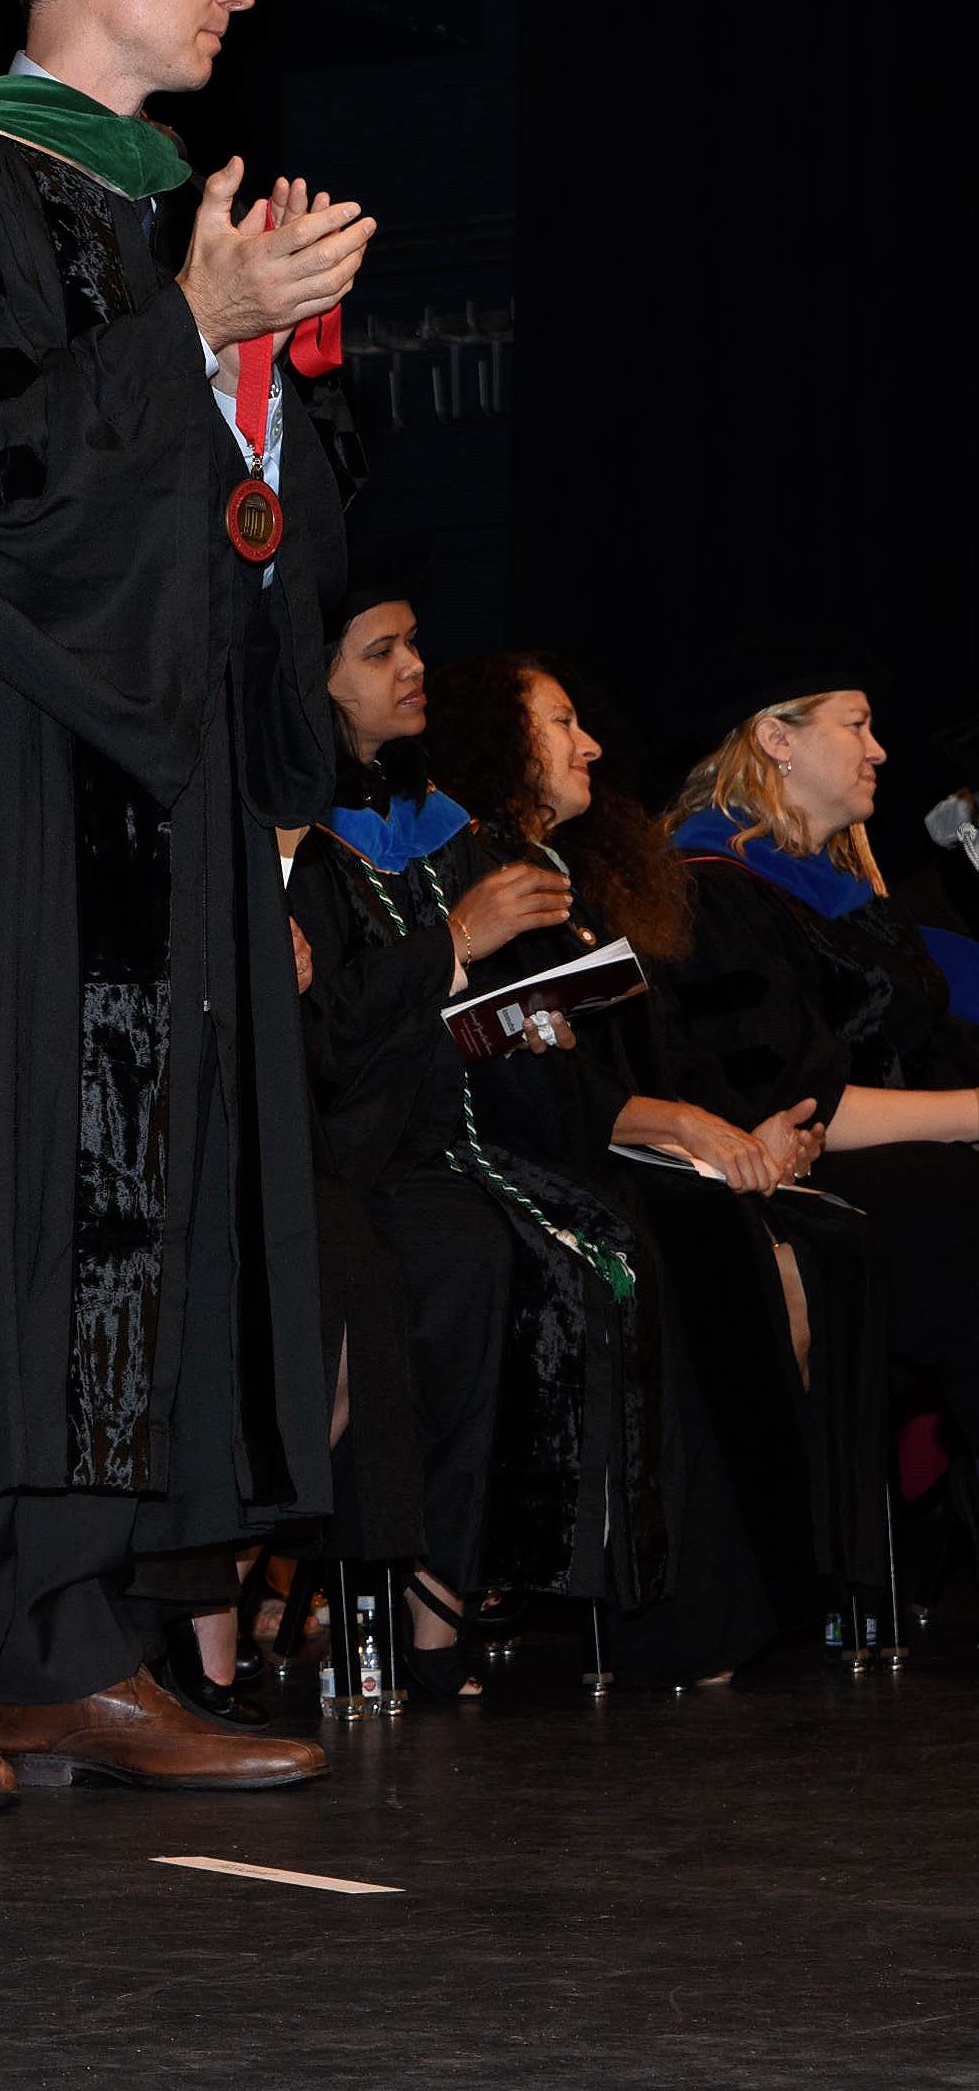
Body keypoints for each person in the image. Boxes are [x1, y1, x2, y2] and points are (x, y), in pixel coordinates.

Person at [0, 0, 372, 1807]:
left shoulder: (168, 210)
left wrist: (254, 374)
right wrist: (194, 336)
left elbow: (250, 531)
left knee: (129, 1184)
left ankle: (72, 1640)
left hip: (163, 780)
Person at [427, 652, 892, 1679]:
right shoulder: (473, 876)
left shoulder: (572, 882)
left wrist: (735, 1133)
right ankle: (683, 1616)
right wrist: (682, 1127)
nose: (587, 744)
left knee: (813, 1241)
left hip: (606, 1146)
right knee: (712, 1245)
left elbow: (624, 1064)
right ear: (496, 744)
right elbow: (510, 1075)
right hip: (513, 1161)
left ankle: (789, 1584)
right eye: (555, 724)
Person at [286, 569, 676, 1700]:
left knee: (584, 1245)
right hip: (354, 1154)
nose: (412, 669)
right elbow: (330, 1031)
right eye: (378, 652)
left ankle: (482, 1577)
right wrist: (456, 941)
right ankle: (417, 1593)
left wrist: (526, 1019)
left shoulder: (442, 827)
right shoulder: (300, 841)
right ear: (314, 683)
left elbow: (444, 1030)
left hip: (445, 1144)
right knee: (463, 1258)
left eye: (411, 645)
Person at [665, 669, 979, 1458]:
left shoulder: (838, 890)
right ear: (777, 739)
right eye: (856, 726)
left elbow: (929, 1029)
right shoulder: (710, 890)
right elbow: (799, 1103)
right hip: (784, 1178)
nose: (878, 750)